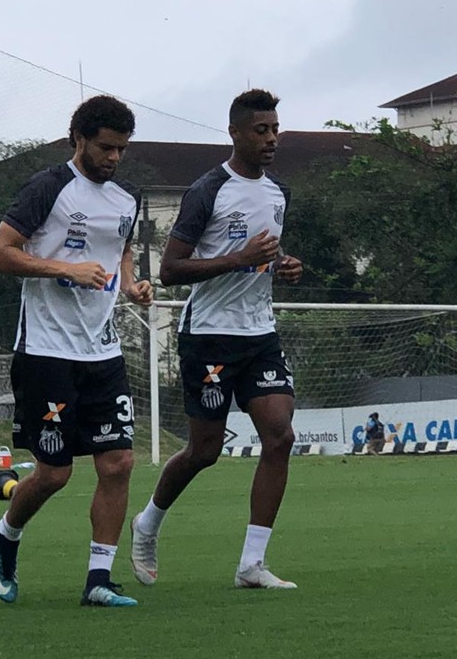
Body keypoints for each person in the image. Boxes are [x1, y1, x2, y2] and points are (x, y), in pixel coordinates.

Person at [130, 89, 303, 591]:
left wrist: (283, 264)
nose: (271, 139)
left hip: (259, 334)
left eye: (275, 129)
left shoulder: (278, 192)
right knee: (204, 450)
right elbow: (171, 269)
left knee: (280, 435)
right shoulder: (208, 190)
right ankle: (148, 523)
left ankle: (251, 563)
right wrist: (240, 259)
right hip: (208, 335)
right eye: (260, 130)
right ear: (235, 133)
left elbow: (265, 251)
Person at [0, 95, 153, 608]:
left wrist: (130, 283)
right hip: (45, 351)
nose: (114, 158)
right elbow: (1, 253)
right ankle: (5, 535)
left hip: (101, 351)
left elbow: (119, 245)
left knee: (119, 462)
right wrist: (65, 269)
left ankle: (98, 579)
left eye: (122, 149)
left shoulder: (127, 197)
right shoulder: (48, 187)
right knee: (55, 473)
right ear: (78, 139)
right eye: (105, 147)